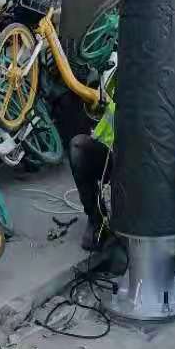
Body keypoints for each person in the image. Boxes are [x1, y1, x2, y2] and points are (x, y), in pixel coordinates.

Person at [68, 61, 116, 252]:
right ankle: (96, 218)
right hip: (111, 153)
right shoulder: (115, 71)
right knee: (78, 147)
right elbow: (98, 111)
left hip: (141, 162)